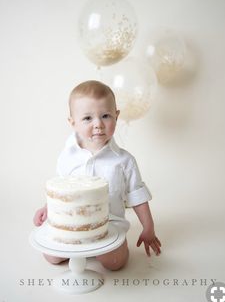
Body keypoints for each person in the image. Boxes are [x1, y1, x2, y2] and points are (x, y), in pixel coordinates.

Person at [33, 80, 161, 270]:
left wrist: (148, 228)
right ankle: (76, 249)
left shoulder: (124, 161)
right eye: (87, 118)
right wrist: (47, 207)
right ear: (72, 122)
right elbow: (61, 191)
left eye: (105, 116)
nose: (98, 124)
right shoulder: (67, 156)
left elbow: (137, 197)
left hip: (109, 226)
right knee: (50, 256)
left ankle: (110, 250)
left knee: (114, 263)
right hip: (73, 225)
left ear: (116, 116)